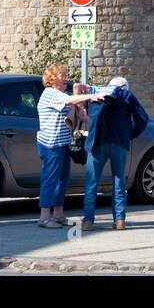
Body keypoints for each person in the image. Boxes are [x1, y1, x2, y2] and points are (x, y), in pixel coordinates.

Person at [36, 63, 102, 229]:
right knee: (50, 180)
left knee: (62, 181)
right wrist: (89, 97)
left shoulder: (61, 93)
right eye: (62, 76)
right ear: (52, 78)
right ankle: (44, 217)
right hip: (51, 145)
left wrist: (80, 100)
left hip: (63, 144)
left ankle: (58, 215)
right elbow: (68, 100)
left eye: (66, 75)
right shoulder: (50, 93)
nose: (66, 78)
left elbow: (80, 115)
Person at [82, 76, 149, 231]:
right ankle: (119, 220)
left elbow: (88, 113)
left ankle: (87, 220)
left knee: (92, 181)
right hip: (119, 141)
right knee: (119, 181)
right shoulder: (127, 96)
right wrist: (130, 134)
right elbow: (142, 119)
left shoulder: (98, 93)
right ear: (125, 86)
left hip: (98, 141)